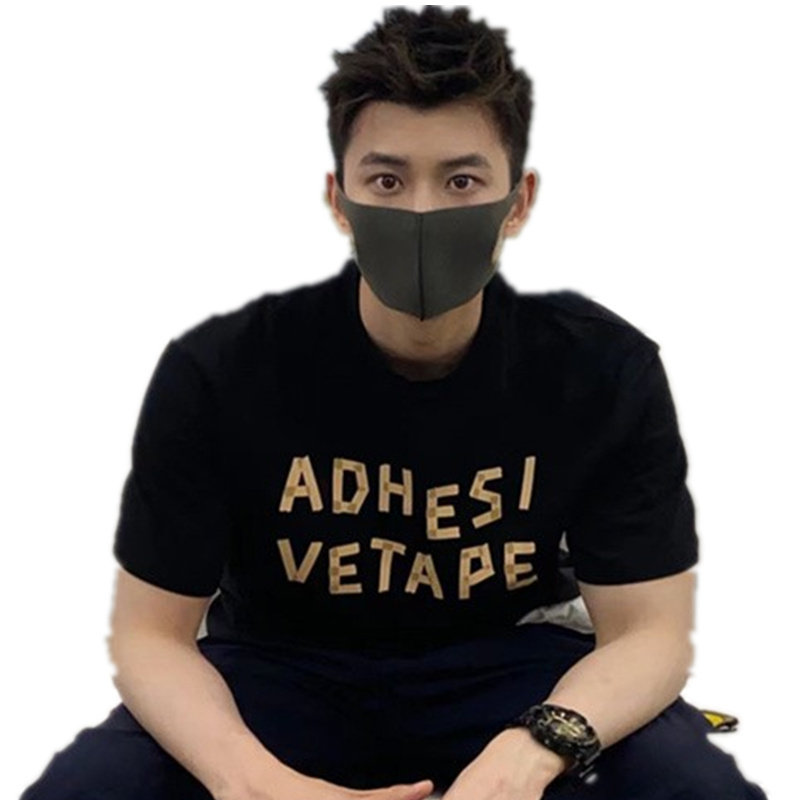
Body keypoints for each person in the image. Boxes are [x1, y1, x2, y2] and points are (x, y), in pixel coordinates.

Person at [20, 6, 769, 800]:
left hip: (509, 670)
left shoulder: (602, 371)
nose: (420, 213)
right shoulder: (219, 371)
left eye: (461, 181)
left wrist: (535, 750)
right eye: (386, 180)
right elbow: (150, 636)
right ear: (338, 198)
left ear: (519, 201)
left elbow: (649, 633)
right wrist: (254, 783)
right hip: (275, 672)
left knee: (694, 787)